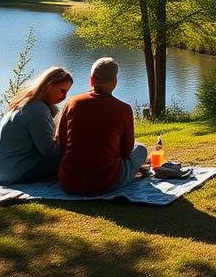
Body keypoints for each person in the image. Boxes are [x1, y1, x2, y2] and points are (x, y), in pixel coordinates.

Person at [56, 57, 147, 195]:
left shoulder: (72, 103)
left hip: (69, 182)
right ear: (115, 82)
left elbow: (61, 142)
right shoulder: (124, 109)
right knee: (140, 149)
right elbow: (126, 151)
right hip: (106, 183)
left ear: (91, 80)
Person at [0, 66, 73, 185]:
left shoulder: (27, 103)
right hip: (13, 172)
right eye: (62, 91)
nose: (64, 97)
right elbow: (49, 151)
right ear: (48, 86)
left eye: (67, 92)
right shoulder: (37, 109)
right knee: (74, 158)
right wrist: (72, 144)